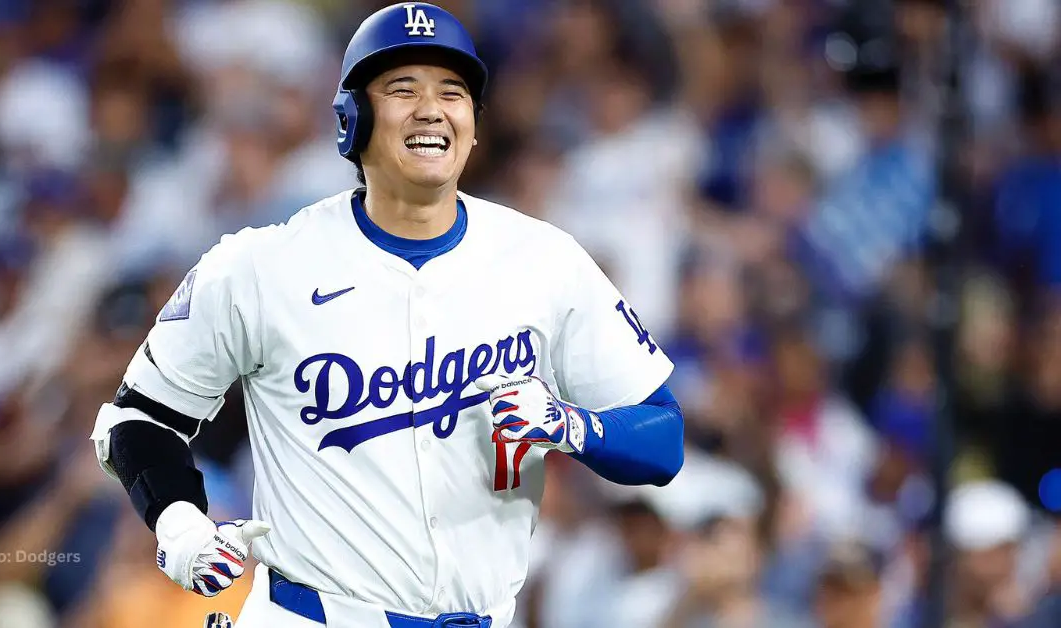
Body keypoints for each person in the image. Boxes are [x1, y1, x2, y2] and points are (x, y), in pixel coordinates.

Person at [88, 4, 685, 627]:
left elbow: (663, 438)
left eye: (452, 92)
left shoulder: (544, 260)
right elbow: (138, 419)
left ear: (473, 124)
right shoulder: (261, 266)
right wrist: (181, 525)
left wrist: (571, 426)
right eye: (404, 89)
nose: (432, 108)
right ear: (353, 118)